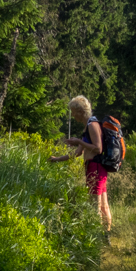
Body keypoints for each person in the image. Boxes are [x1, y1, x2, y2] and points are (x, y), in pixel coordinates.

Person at [49, 95, 113, 235]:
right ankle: (105, 236)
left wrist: (79, 141)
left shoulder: (92, 125)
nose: (72, 115)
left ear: (80, 111)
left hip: (95, 167)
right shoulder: (88, 126)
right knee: (103, 205)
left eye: (73, 111)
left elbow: (98, 148)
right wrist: (57, 159)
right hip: (96, 168)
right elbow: (77, 153)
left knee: (95, 205)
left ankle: (97, 237)